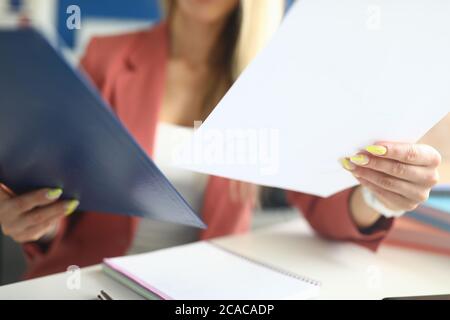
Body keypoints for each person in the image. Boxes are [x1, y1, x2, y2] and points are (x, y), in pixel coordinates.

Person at [0, 0, 441, 279]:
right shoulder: (106, 56)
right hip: (91, 280)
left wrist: (382, 195)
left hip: (209, 295)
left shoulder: (274, 79)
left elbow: (325, 207)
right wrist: (36, 217)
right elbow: (61, 189)